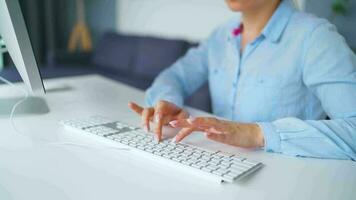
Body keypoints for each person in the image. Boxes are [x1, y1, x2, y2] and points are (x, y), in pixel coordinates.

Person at [129, 0, 356, 160]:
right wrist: (168, 103)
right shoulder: (221, 35)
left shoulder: (316, 37)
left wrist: (257, 134)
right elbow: (173, 76)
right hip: (219, 167)